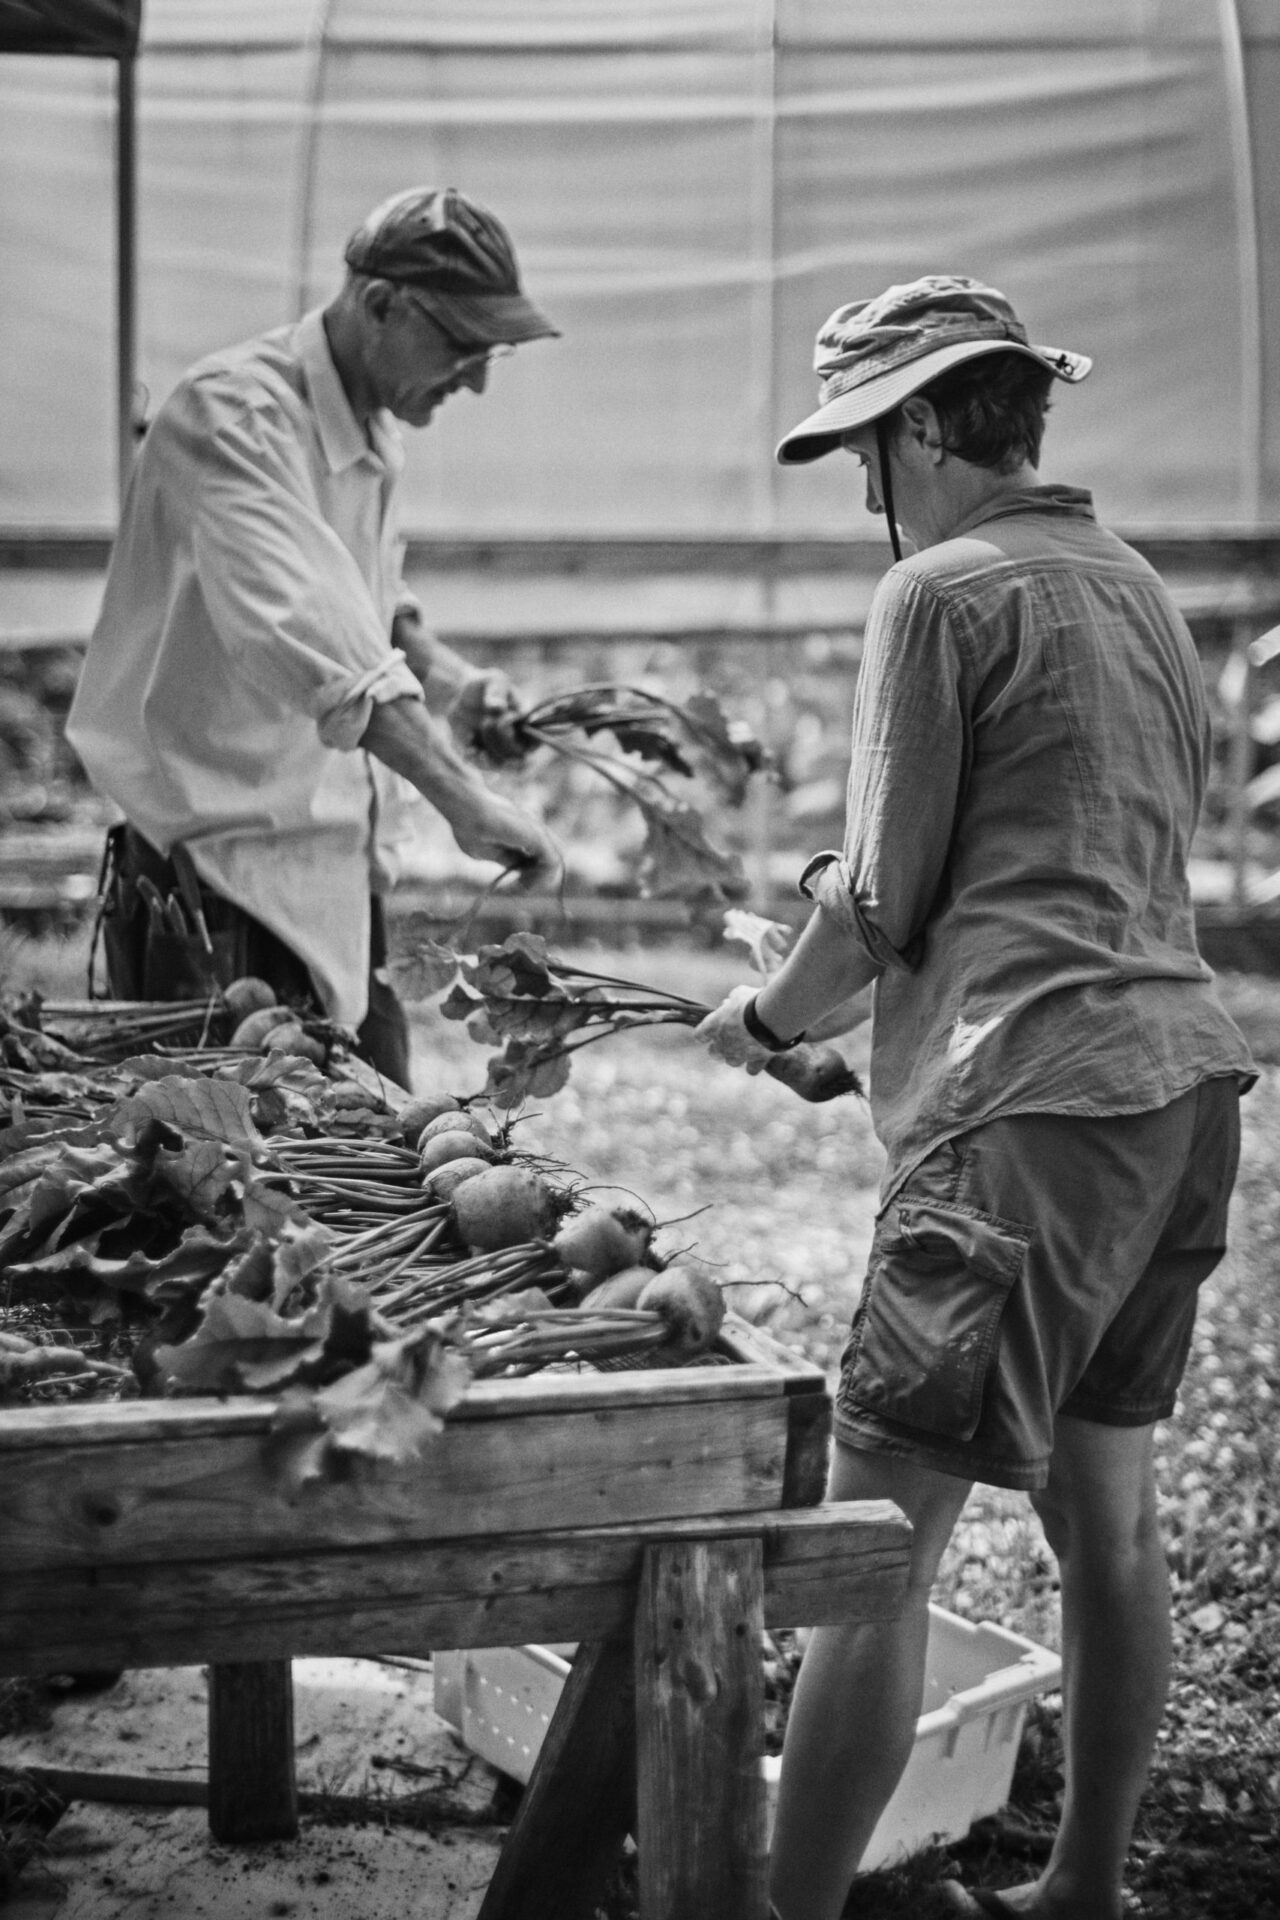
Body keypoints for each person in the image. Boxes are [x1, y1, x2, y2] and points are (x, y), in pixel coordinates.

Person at [695, 275, 1255, 1920]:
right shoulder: (1139, 587)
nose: (864, 495)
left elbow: (878, 904)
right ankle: (1086, 1886)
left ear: (929, 427)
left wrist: (763, 1016)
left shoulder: (936, 593)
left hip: (1024, 1118)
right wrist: (876, 1019)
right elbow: (1070, 867)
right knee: (1112, 1525)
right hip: (1178, 1097)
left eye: (868, 454)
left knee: (875, 1554)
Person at [67, 186, 561, 1088]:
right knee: (234, 1155)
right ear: (381, 303)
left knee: (386, 1138)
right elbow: (316, 636)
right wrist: (464, 798)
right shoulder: (230, 417)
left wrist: (453, 683)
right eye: (463, 345)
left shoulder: (369, 427)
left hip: (333, 872)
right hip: (220, 880)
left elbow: (368, 603)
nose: (477, 379)